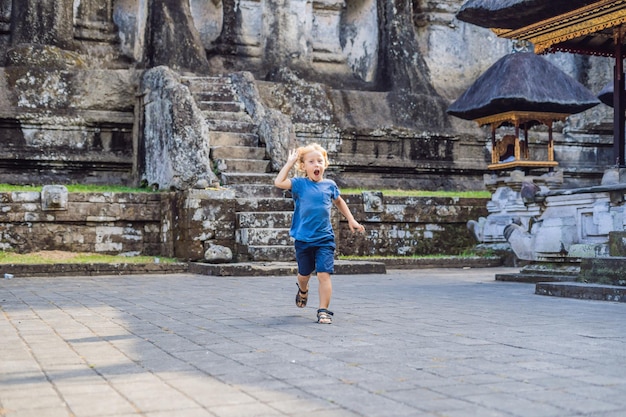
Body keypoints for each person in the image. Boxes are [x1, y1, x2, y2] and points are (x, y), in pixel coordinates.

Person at [274, 143, 365, 324]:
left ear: (325, 164)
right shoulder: (299, 184)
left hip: (324, 238)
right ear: (303, 166)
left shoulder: (329, 185)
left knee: (324, 274)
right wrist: (290, 163)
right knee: (304, 275)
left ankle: (323, 311)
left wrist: (351, 219)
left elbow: (339, 202)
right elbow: (278, 182)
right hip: (303, 238)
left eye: (320, 161)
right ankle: (303, 289)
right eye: (311, 162)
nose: (316, 165)